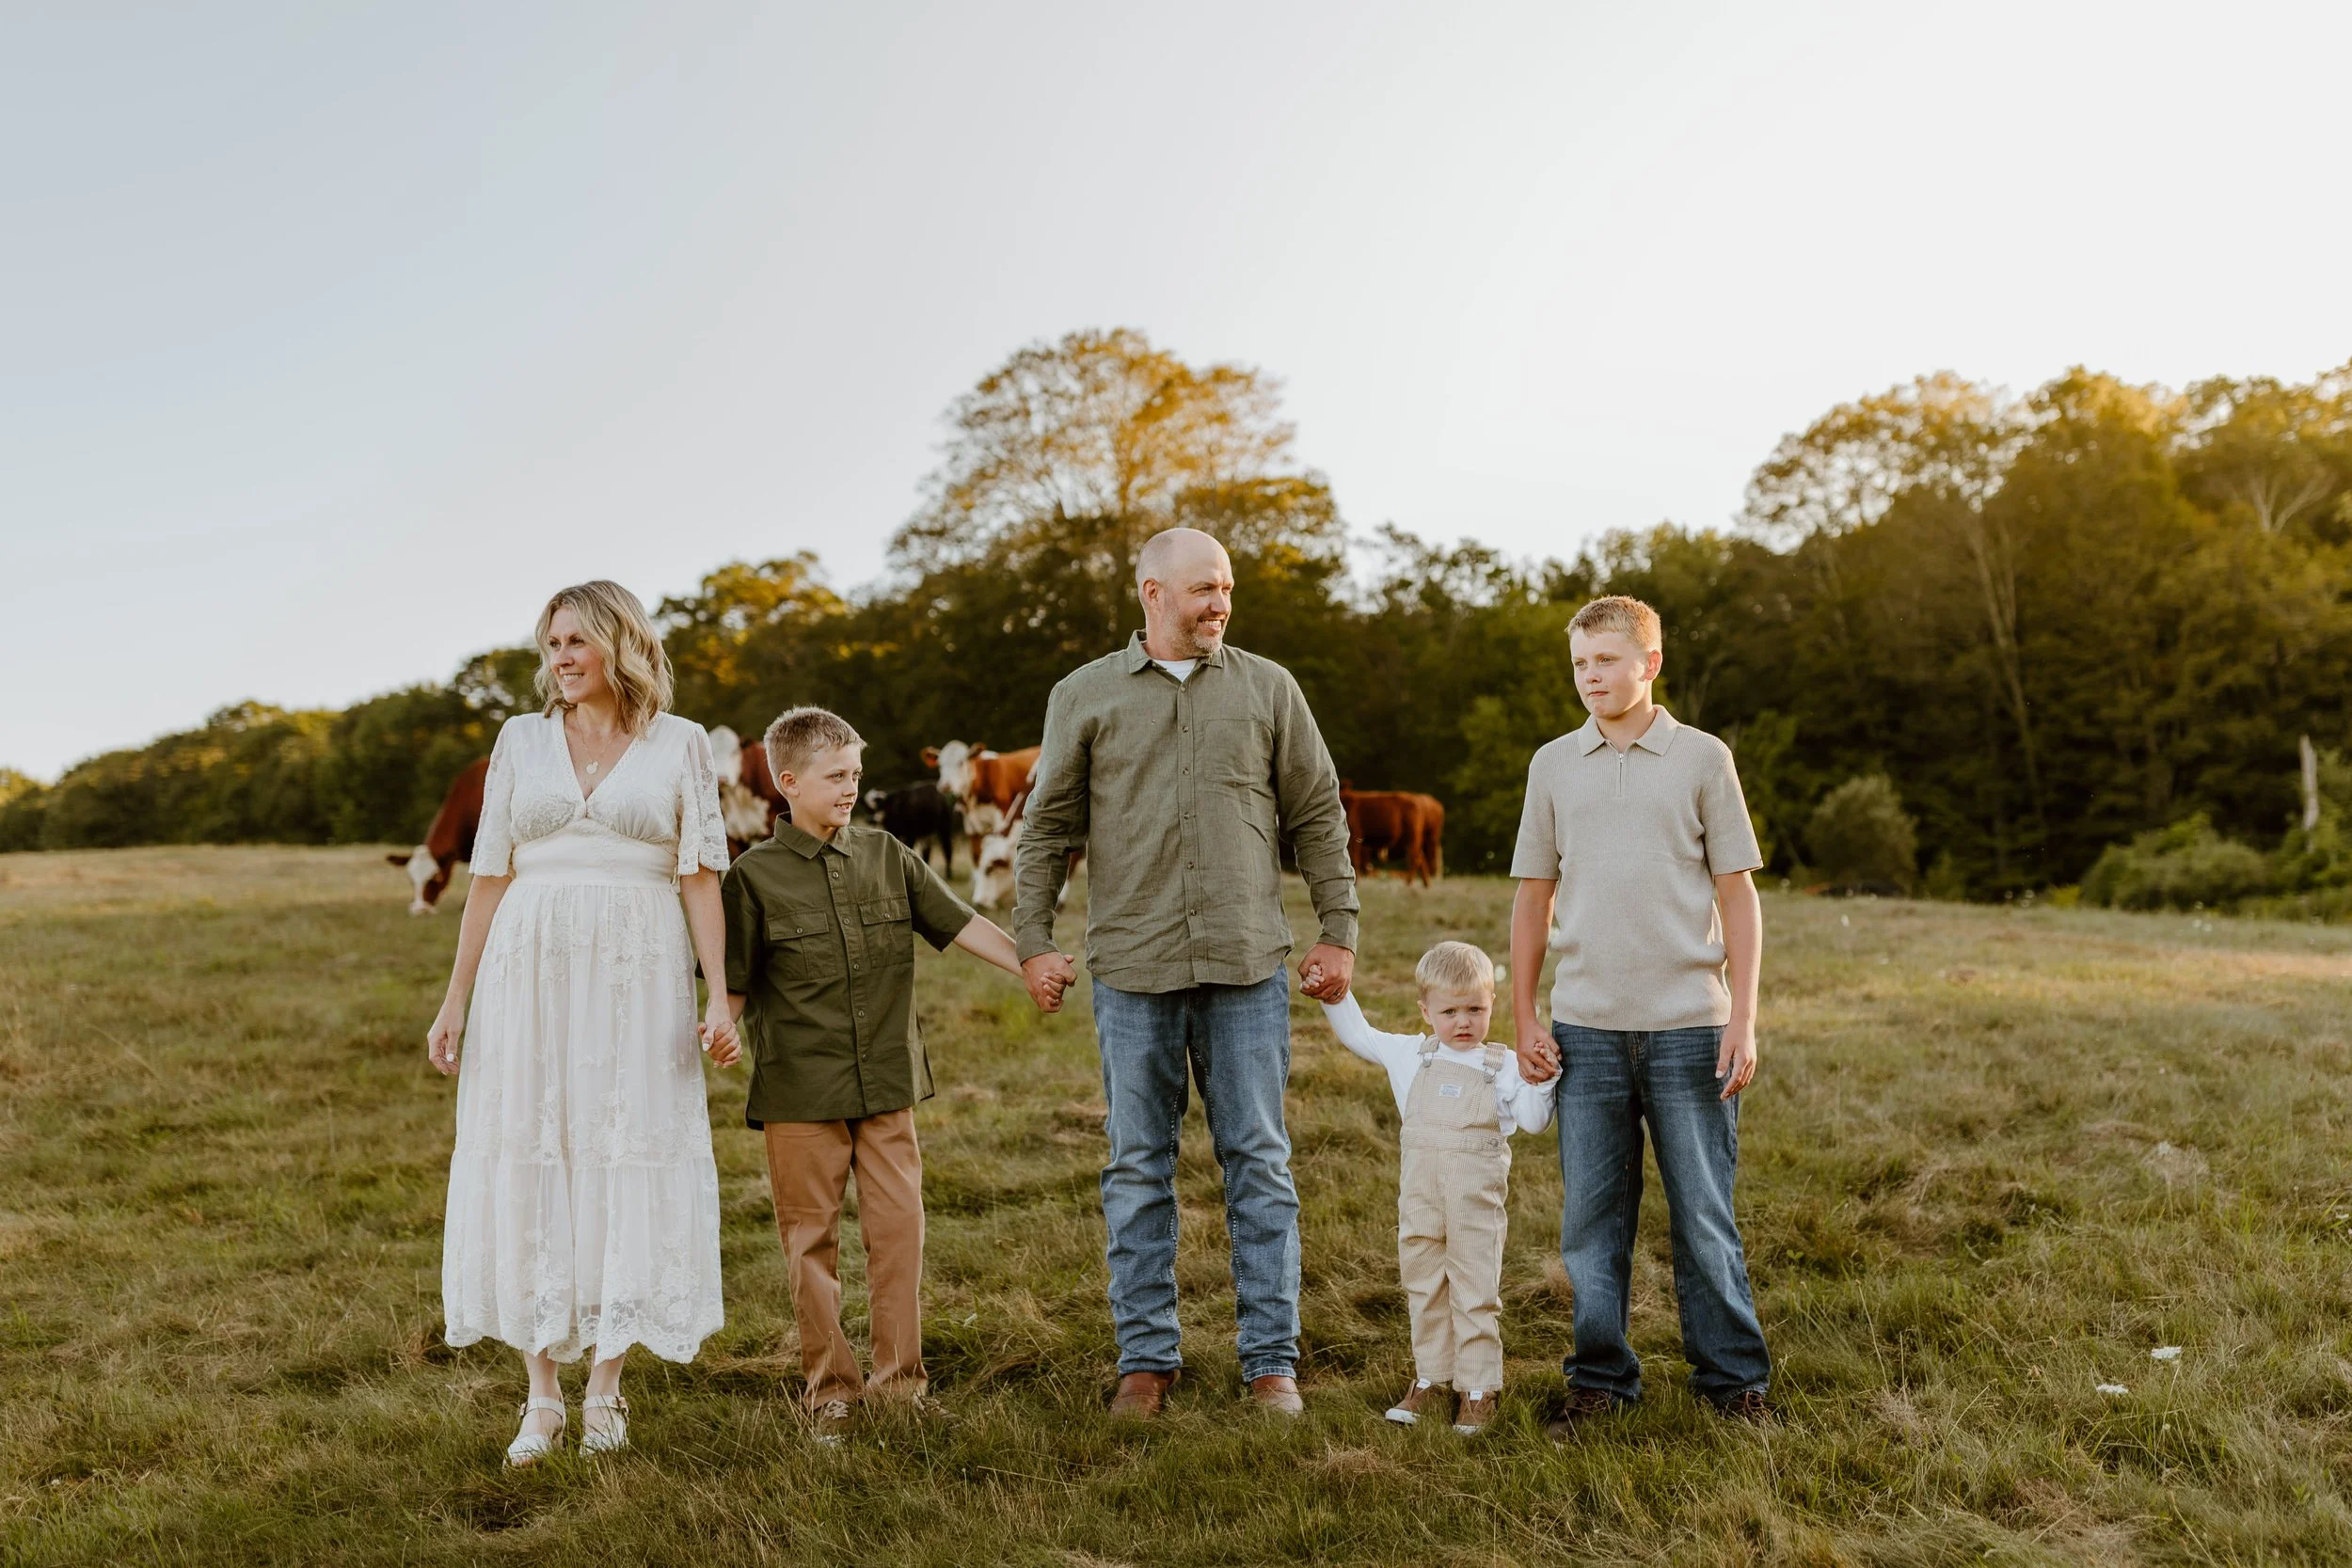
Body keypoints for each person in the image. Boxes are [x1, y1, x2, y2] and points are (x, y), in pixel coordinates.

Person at [1015, 526, 1359, 1419]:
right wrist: (1034, 939)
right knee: (1137, 1165)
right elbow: (1047, 826)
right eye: (1204, 588)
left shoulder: (1268, 688)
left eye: (1228, 589)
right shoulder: (1083, 695)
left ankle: (1272, 1361)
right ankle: (1146, 1359)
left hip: (1248, 963)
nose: (1220, 604)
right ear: (1151, 593)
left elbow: (1318, 810)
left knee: (1260, 1162)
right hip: (1133, 967)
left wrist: (1340, 928)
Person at [426, 579, 741, 1467]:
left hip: (638, 974)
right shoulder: (519, 741)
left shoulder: (679, 744)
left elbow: (699, 876)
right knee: (531, 1150)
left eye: (574, 641)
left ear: (618, 643)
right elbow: (488, 877)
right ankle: (540, 1396)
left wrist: (718, 993)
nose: (560, 660)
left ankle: (605, 1386)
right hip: (527, 971)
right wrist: (456, 997)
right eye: (551, 644)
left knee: (623, 1148)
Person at [716, 706, 1030, 1443]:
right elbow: (730, 982)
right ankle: (831, 1388)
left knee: (899, 1235)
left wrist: (1032, 961)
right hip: (801, 1093)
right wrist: (719, 1023)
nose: (851, 787)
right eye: (835, 777)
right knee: (810, 1243)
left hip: (889, 1084)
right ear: (788, 783)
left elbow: (961, 924)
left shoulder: (890, 855)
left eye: (856, 774)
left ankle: (901, 1386)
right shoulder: (751, 879)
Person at [1508, 594, 1773, 1434]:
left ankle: (1732, 1383)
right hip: (1584, 1028)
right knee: (1591, 1221)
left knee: (1702, 1212)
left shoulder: (1703, 758)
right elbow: (1531, 898)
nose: (1592, 677)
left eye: (1608, 662)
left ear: (1649, 664)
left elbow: (1739, 895)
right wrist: (1524, 1015)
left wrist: (1743, 1018)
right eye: (1581, 664)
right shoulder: (1553, 764)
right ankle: (1598, 1378)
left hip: (1691, 1026)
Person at [1310, 941, 1554, 1435]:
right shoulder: (1411, 1055)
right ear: (1426, 1010)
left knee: (1474, 1288)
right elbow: (1360, 1035)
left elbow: (1532, 1123)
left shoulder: (1502, 1066)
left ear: (1492, 1005)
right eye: (1449, 1011)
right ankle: (1431, 1378)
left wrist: (1543, 1081)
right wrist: (1333, 994)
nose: (1463, 1022)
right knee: (1422, 1281)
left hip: (1475, 1206)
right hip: (1420, 1201)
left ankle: (1479, 1387)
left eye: (1475, 1010)